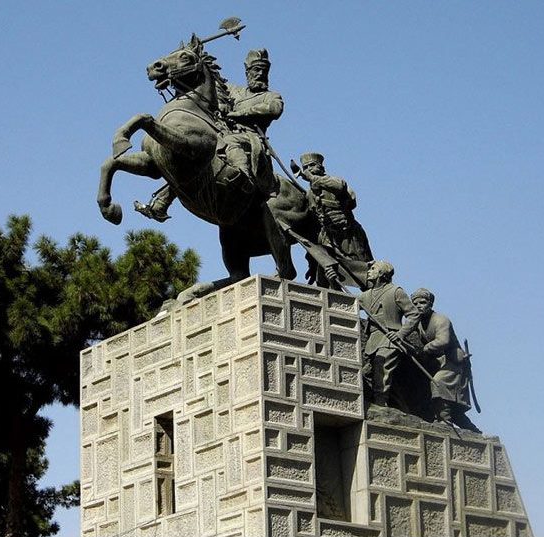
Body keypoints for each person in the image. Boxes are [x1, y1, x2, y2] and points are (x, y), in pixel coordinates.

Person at [136, 48, 284, 221]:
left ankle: (245, 178)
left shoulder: (270, 96)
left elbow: (274, 109)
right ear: (247, 72)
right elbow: (212, 91)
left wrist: (240, 113)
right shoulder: (234, 91)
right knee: (194, 150)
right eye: (256, 70)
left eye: (263, 71)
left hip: (249, 137)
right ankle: (163, 201)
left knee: (229, 142)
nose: (259, 74)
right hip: (222, 129)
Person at [291, 152, 373, 286]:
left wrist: (312, 178)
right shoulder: (310, 193)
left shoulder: (334, 182)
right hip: (327, 237)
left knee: (366, 273)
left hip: (348, 233)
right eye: (305, 167)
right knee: (325, 273)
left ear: (320, 166)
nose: (309, 169)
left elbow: (342, 189)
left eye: (312, 165)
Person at [410, 288, 481, 433]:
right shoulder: (418, 322)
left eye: (422, 302)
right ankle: (471, 430)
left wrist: (424, 349)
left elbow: (443, 341)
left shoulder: (441, 320)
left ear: (430, 303)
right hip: (438, 361)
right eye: (415, 303)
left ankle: (444, 420)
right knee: (455, 410)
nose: (419, 306)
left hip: (454, 362)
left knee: (438, 381)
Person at [359, 261, 420, 408]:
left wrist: (400, 334)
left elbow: (414, 314)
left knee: (382, 368)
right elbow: (346, 303)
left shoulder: (395, 291)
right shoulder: (366, 295)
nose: (368, 272)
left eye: (373, 269)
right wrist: (331, 278)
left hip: (390, 338)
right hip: (373, 339)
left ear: (381, 273)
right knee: (366, 371)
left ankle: (380, 403)